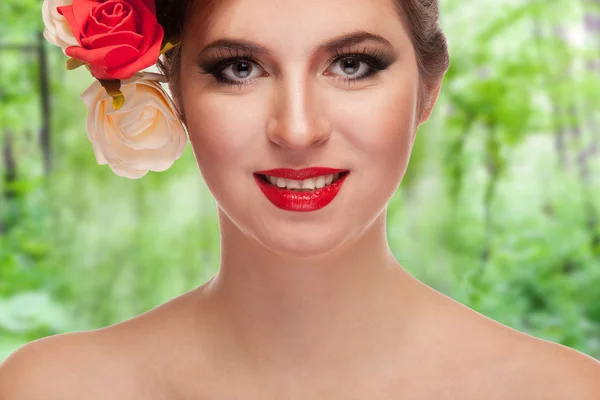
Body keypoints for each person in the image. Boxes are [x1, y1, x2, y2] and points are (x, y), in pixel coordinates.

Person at [2, 0, 600, 398]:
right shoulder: (54, 387)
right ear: (174, 92)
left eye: (351, 64)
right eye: (239, 68)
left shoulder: (560, 391)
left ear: (427, 89)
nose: (296, 128)